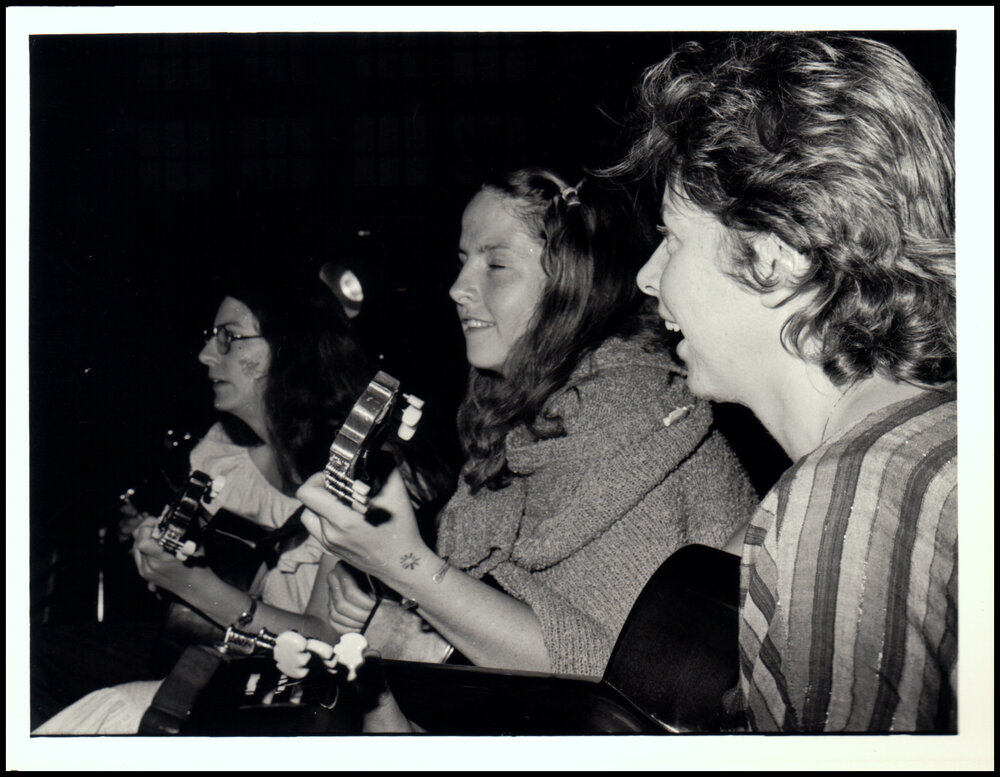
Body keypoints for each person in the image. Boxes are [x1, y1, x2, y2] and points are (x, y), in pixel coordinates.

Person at [609, 32, 957, 732]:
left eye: (673, 239)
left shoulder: (844, 506)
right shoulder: (937, 437)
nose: (647, 277)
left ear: (776, 257)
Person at [295, 167, 759, 680]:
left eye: (496, 264)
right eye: (462, 262)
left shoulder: (629, 421)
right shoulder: (525, 421)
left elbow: (616, 678)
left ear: (571, 284)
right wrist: (402, 603)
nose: (458, 288)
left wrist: (405, 570)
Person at [32, 260, 428, 734]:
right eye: (211, 336)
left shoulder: (366, 472)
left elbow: (324, 638)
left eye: (229, 337)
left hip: (318, 698)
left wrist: (192, 585)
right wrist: (164, 554)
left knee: (106, 707)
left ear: (291, 349)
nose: (205, 354)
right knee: (29, 657)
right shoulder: (225, 456)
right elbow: (213, 580)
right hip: (217, 656)